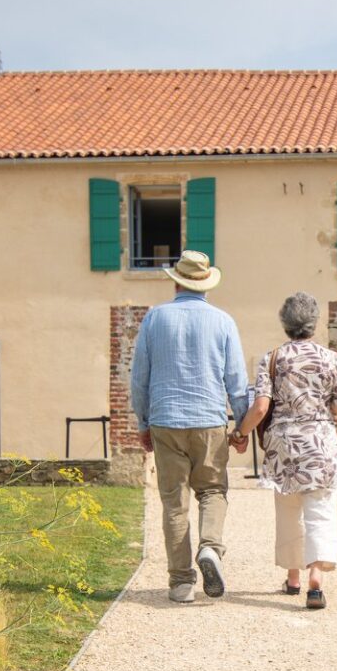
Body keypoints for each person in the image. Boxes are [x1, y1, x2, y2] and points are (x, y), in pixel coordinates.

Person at [129, 250, 249, 604]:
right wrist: (240, 426)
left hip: (166, 420)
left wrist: (143, 421)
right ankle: (210, 548)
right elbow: (236, 380)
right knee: (212, 491)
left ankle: (181, 582)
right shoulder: (224, 321)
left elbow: (140, 378)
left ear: (176, 280)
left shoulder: (154, 319)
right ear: (206, 284)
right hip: (210, 420)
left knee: (174, 502)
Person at [234, 293, 337, 610]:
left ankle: (293, 577)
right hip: (320, 443)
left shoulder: (272, 359)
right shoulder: (331, 359)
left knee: (288, 511)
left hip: (283, 445)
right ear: (314, 324)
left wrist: (240, 433)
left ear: (285, 324)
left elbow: (260, 408)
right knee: (321, 509)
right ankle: (316, 578)